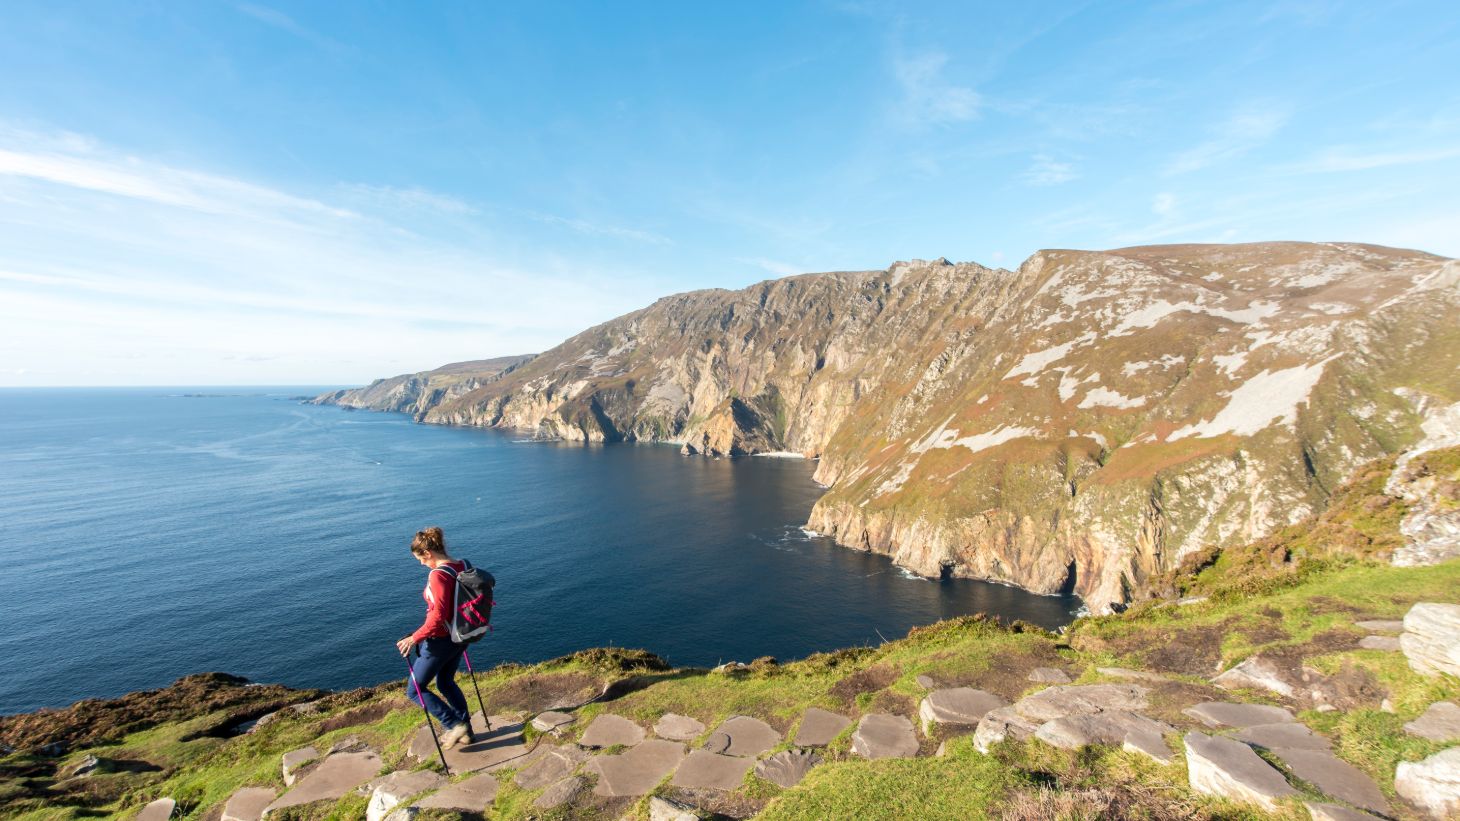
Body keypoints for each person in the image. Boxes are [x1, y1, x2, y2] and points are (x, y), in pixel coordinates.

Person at [396, 526, 474, 748]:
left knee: (415, 689)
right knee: (445, 682)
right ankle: (466, 730)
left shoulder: (438, 575)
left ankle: (454, 724)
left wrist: (414, 638)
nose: (421, 564)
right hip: (461, 635)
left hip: (440, 641)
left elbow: (439, 616)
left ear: (428, 553)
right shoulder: (463, 565)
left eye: (420, 559)